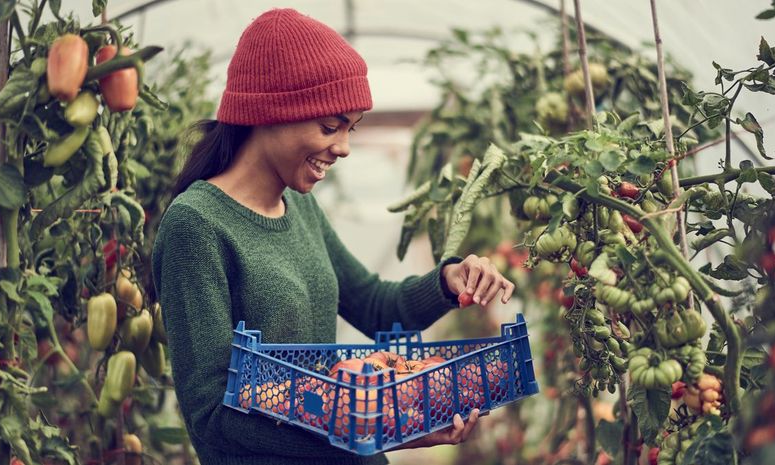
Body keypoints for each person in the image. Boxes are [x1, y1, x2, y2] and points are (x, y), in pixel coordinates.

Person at [151, 8, 516, 465]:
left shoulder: (299, 205)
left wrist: (448, 282)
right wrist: (377, 430)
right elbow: (212, 416)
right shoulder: (197, 226)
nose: (343, 147)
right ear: (269, 113)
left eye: (350, 128)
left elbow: (374, 305)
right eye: (330, 126)